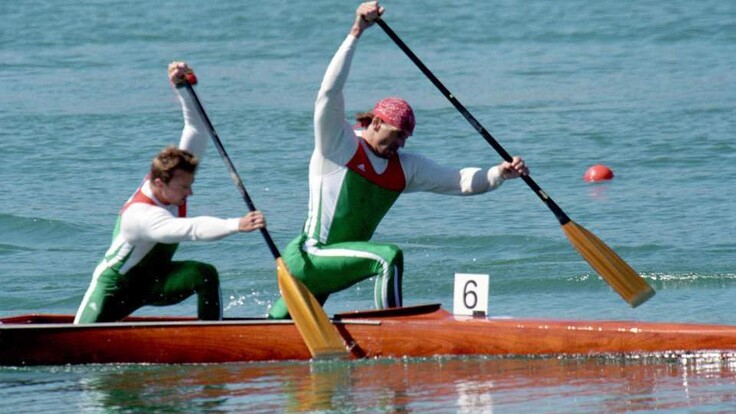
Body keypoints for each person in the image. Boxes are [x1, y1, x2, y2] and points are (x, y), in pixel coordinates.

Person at [267, 1, 529, 319]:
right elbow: (328, 93)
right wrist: (356, 32)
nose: (400, 142)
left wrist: (499, 173)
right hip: (310, 257)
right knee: (387, 257)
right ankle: (394, 330)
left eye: (406, 137)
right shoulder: (338, 145)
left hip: (338, 264)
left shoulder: (405, 167)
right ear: (375, 123)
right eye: (396, 134)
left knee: (271, 331)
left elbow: (459, 181)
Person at [74, 62, 266, 323]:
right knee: (81, 344)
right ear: (159, 183)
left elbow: (197, 130)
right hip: (114, 288)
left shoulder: (173, 179)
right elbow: (191, 230)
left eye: (189, 184)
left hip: (156, 281)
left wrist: (184, 87)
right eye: (184, 187)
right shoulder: (140, 216)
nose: (190, 193)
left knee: (204, 274)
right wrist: (236, 225)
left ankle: (210, 337)